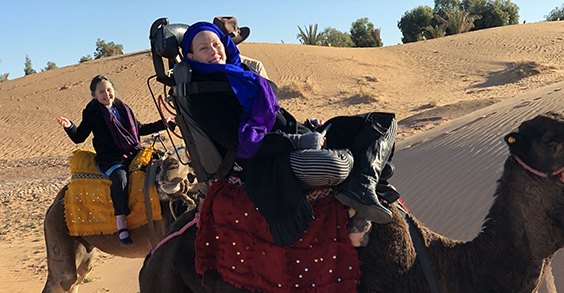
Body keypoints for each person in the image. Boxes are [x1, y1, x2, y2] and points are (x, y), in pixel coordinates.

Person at [179, 21, 397, 246]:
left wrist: (307, 127)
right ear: (191, 56)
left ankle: (363, 184)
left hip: (298, 134)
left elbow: (275, 117)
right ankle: (365, 178)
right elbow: (242, 146)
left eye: (216, 44)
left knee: (383, 122)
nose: (214, 52)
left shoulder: (242, 73)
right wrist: (298, 142)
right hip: (267, 160)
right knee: (340, 163)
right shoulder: (203, 95)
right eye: (204, 48)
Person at [57, 75, 173, 245]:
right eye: (101, 92)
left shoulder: (123, 108)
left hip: (132, 152)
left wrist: (164, 123)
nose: (107, 94)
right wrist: (70, 127)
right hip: (111, 159)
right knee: (120, 179)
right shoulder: (92, 112)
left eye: (109, 90)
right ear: (94, 95)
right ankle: (121, 223)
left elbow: (140, 129)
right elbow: (79, 137)